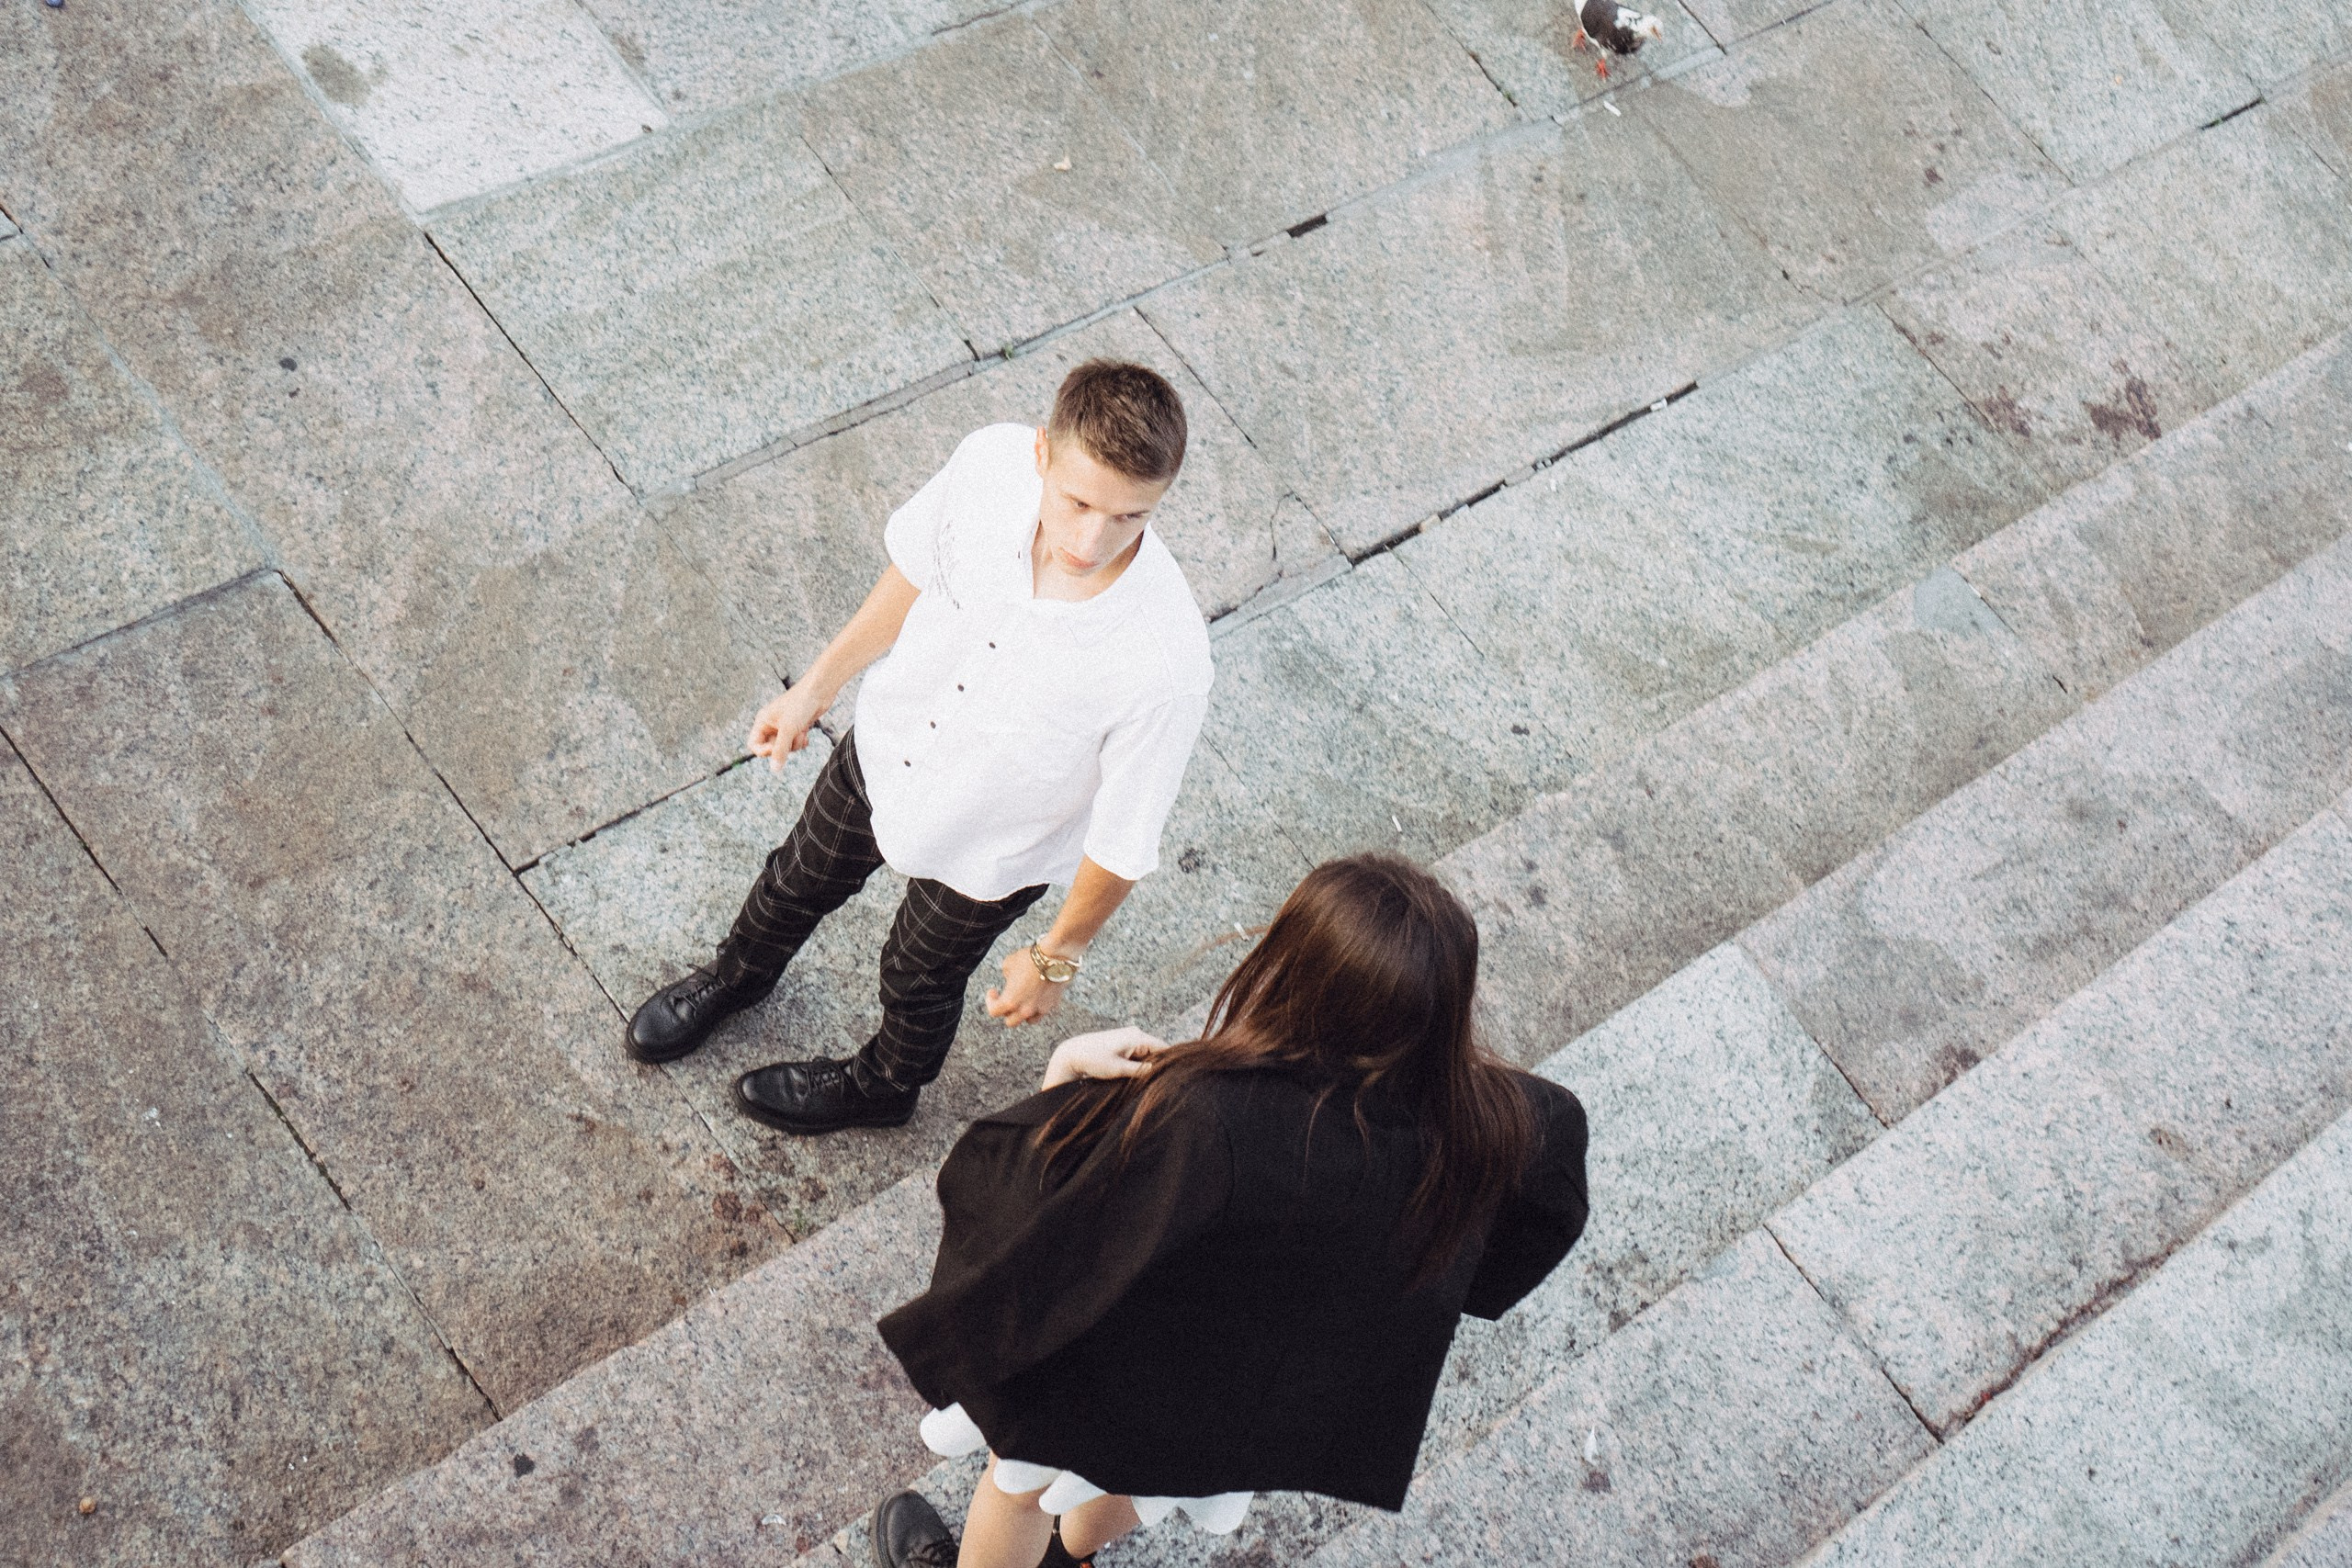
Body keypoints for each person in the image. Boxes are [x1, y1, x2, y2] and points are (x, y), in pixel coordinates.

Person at [865, 854, 1590, 1568]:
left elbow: (1044, 1228)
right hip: (1256, 1401)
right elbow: (1525, 1243)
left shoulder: (1207, 1113)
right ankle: (1073, 1557)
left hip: (1126, 1367)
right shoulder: (1522, 1119)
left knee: (1018, 1486)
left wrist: (1061, 1082)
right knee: (1157, 1479)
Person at [623, 362, 1213, 1136]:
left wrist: (1056, 956)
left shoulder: (1165, 660)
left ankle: (886, 1085)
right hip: (891, 746)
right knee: (795, 876)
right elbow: (912, 572)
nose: (1090, 539)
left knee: (918, 972)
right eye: (1077, 501)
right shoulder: (989, 463)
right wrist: (815, 687)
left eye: (1130, 518)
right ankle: (735, 978)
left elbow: (1124, 840)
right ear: (1042, 452)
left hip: (994, 845)